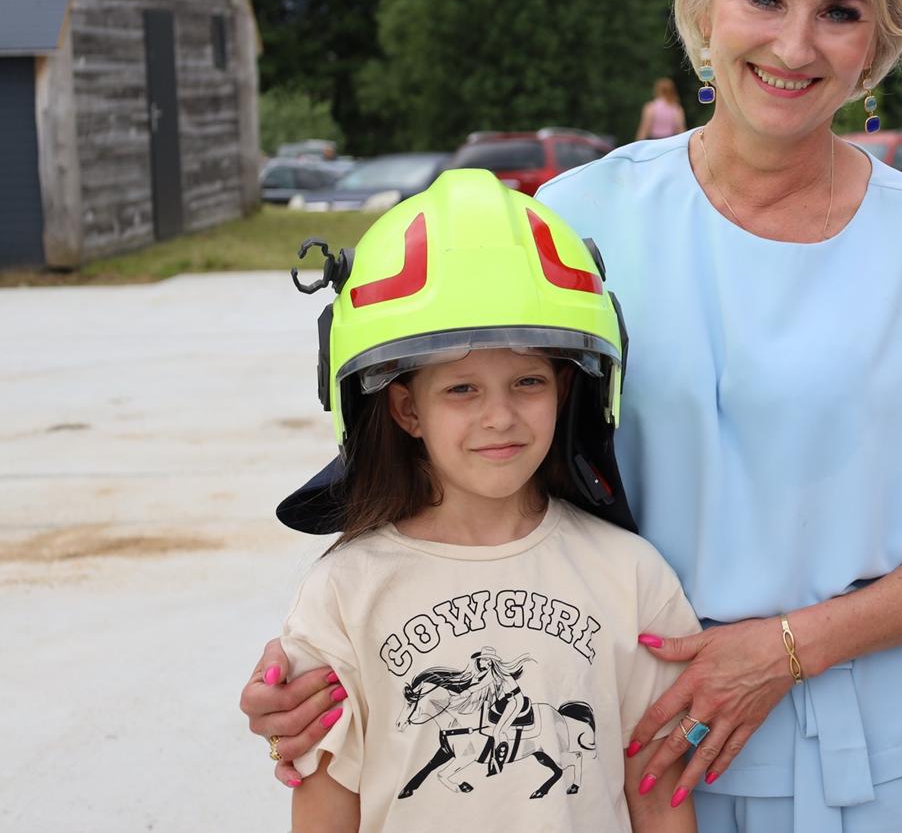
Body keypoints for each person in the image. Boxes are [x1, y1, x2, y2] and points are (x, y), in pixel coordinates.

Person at [244, 0, 902, 832]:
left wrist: (788, 648)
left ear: (876, 44)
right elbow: (436, 460)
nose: (795, 45)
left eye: (840, 11)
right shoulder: (572, 221)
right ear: (706, 6)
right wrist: (326, 660)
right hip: (603, 750)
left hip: (865, 765)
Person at [272, 169, 700, 832]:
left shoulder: (633, 576)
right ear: (407, 409)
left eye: (528, 381)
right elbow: (324, 812)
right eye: (462, 389)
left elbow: (657, 793)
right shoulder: (342, 593)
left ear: (566, 390)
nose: (500, 416)